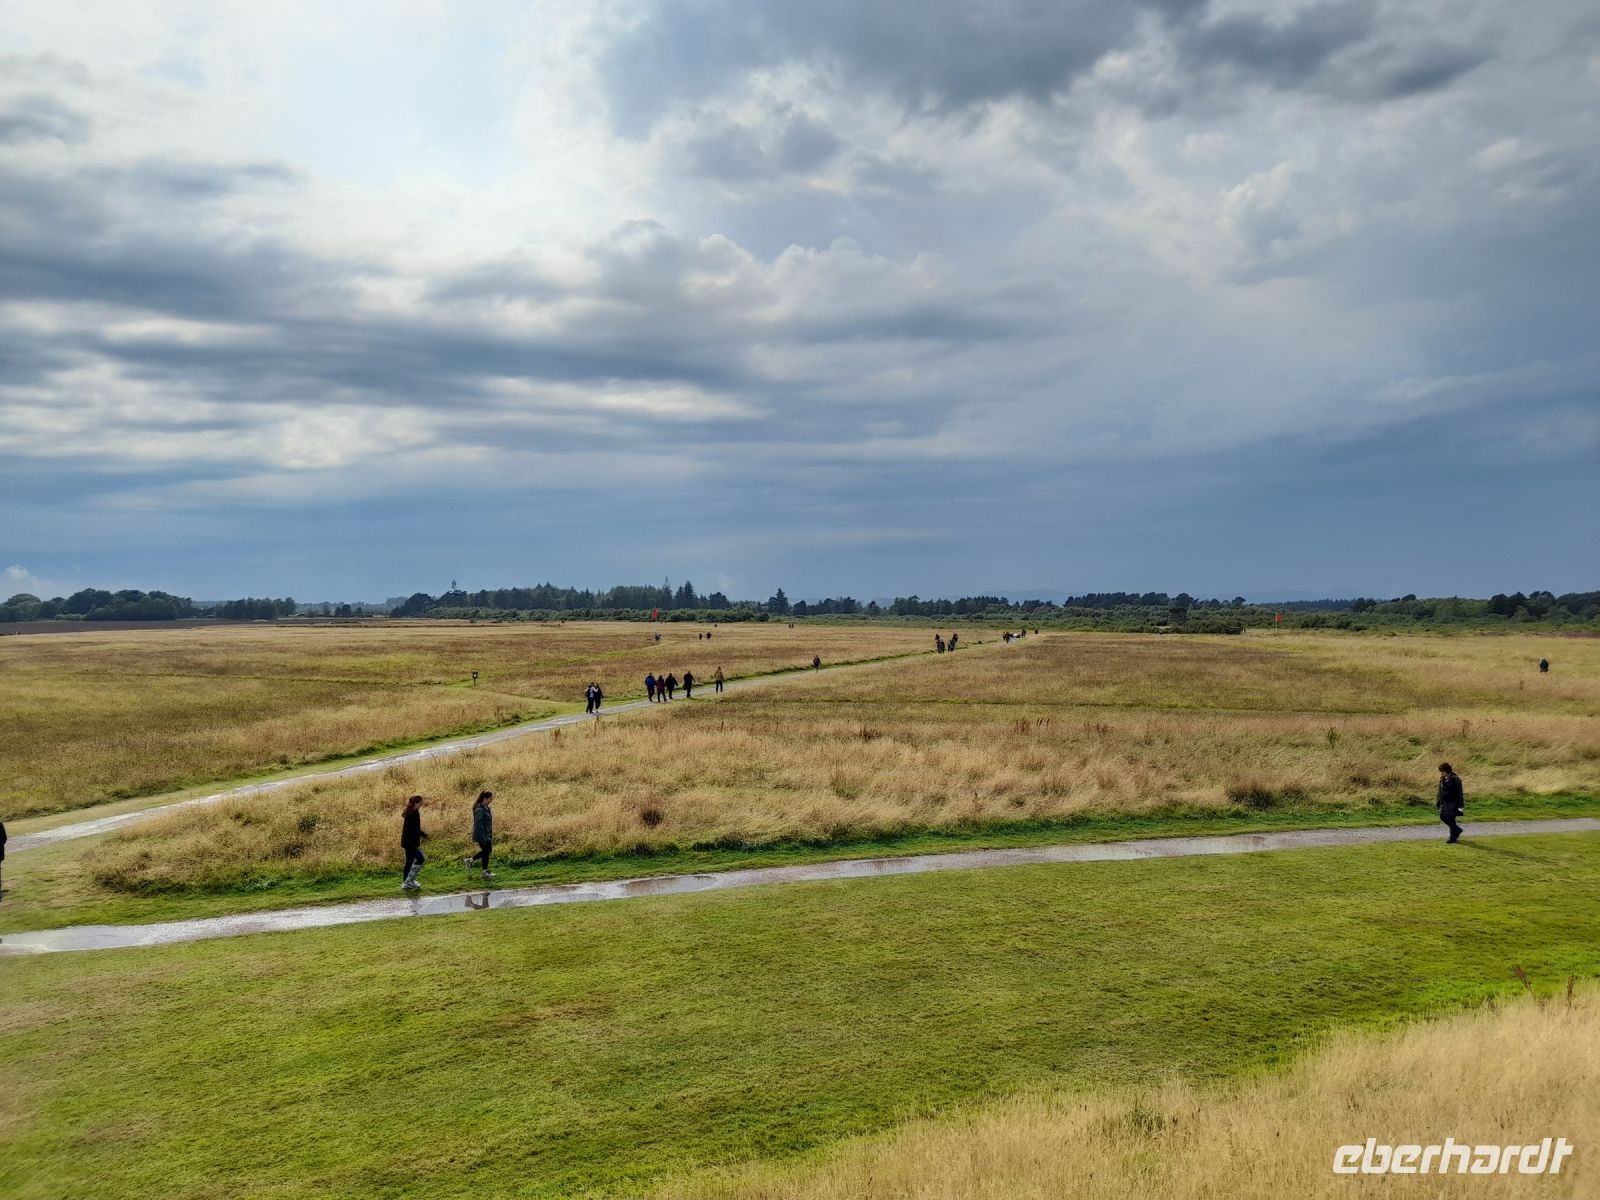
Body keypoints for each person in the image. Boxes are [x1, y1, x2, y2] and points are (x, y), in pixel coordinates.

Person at [463, 790, 495, 880]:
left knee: (487, 850)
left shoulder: (486, 808)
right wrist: (483, 837)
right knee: (486, 850)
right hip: (482, 835)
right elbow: (478, 825)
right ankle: (484, 871)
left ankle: (470, 861)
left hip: (487, 834)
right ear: (484, 799)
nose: (491, 801)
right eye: (490, 799)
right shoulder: (479, 810)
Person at [401, 795, 428, 890]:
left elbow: (415, 828)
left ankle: (407, 882)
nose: (421, 804)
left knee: (409, 861)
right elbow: (412, 830)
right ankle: (409, 880)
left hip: (409, 842)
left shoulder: (414, 812)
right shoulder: (411, 814)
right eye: (420, 803)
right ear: (416, 803)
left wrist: (423, 834)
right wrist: (422, 834)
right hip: (409, 843)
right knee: (421, 859)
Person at [1436, 762, 1465, 844]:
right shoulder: (1442, 779)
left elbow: (1458, 793)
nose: (1441, 773)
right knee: (1442, 816)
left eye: (1442, 771)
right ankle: (1457, 830)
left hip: (1453, 802)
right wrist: (1438, 801)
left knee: (1450, 819)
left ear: (1446, 770)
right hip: (1445, 802)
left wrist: (1460, 805)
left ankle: (1453, 837)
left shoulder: (1456, 779)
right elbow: (1440, 792)